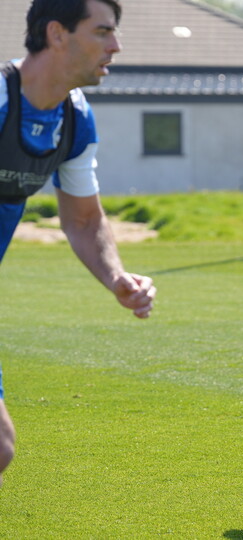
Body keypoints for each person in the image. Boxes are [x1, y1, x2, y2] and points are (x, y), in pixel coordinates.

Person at [0, 0, 157, 488]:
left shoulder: (74, 119)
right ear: (57, 33)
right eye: (103, 31)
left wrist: (116, 278)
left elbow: (85, 220)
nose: (116, 45)